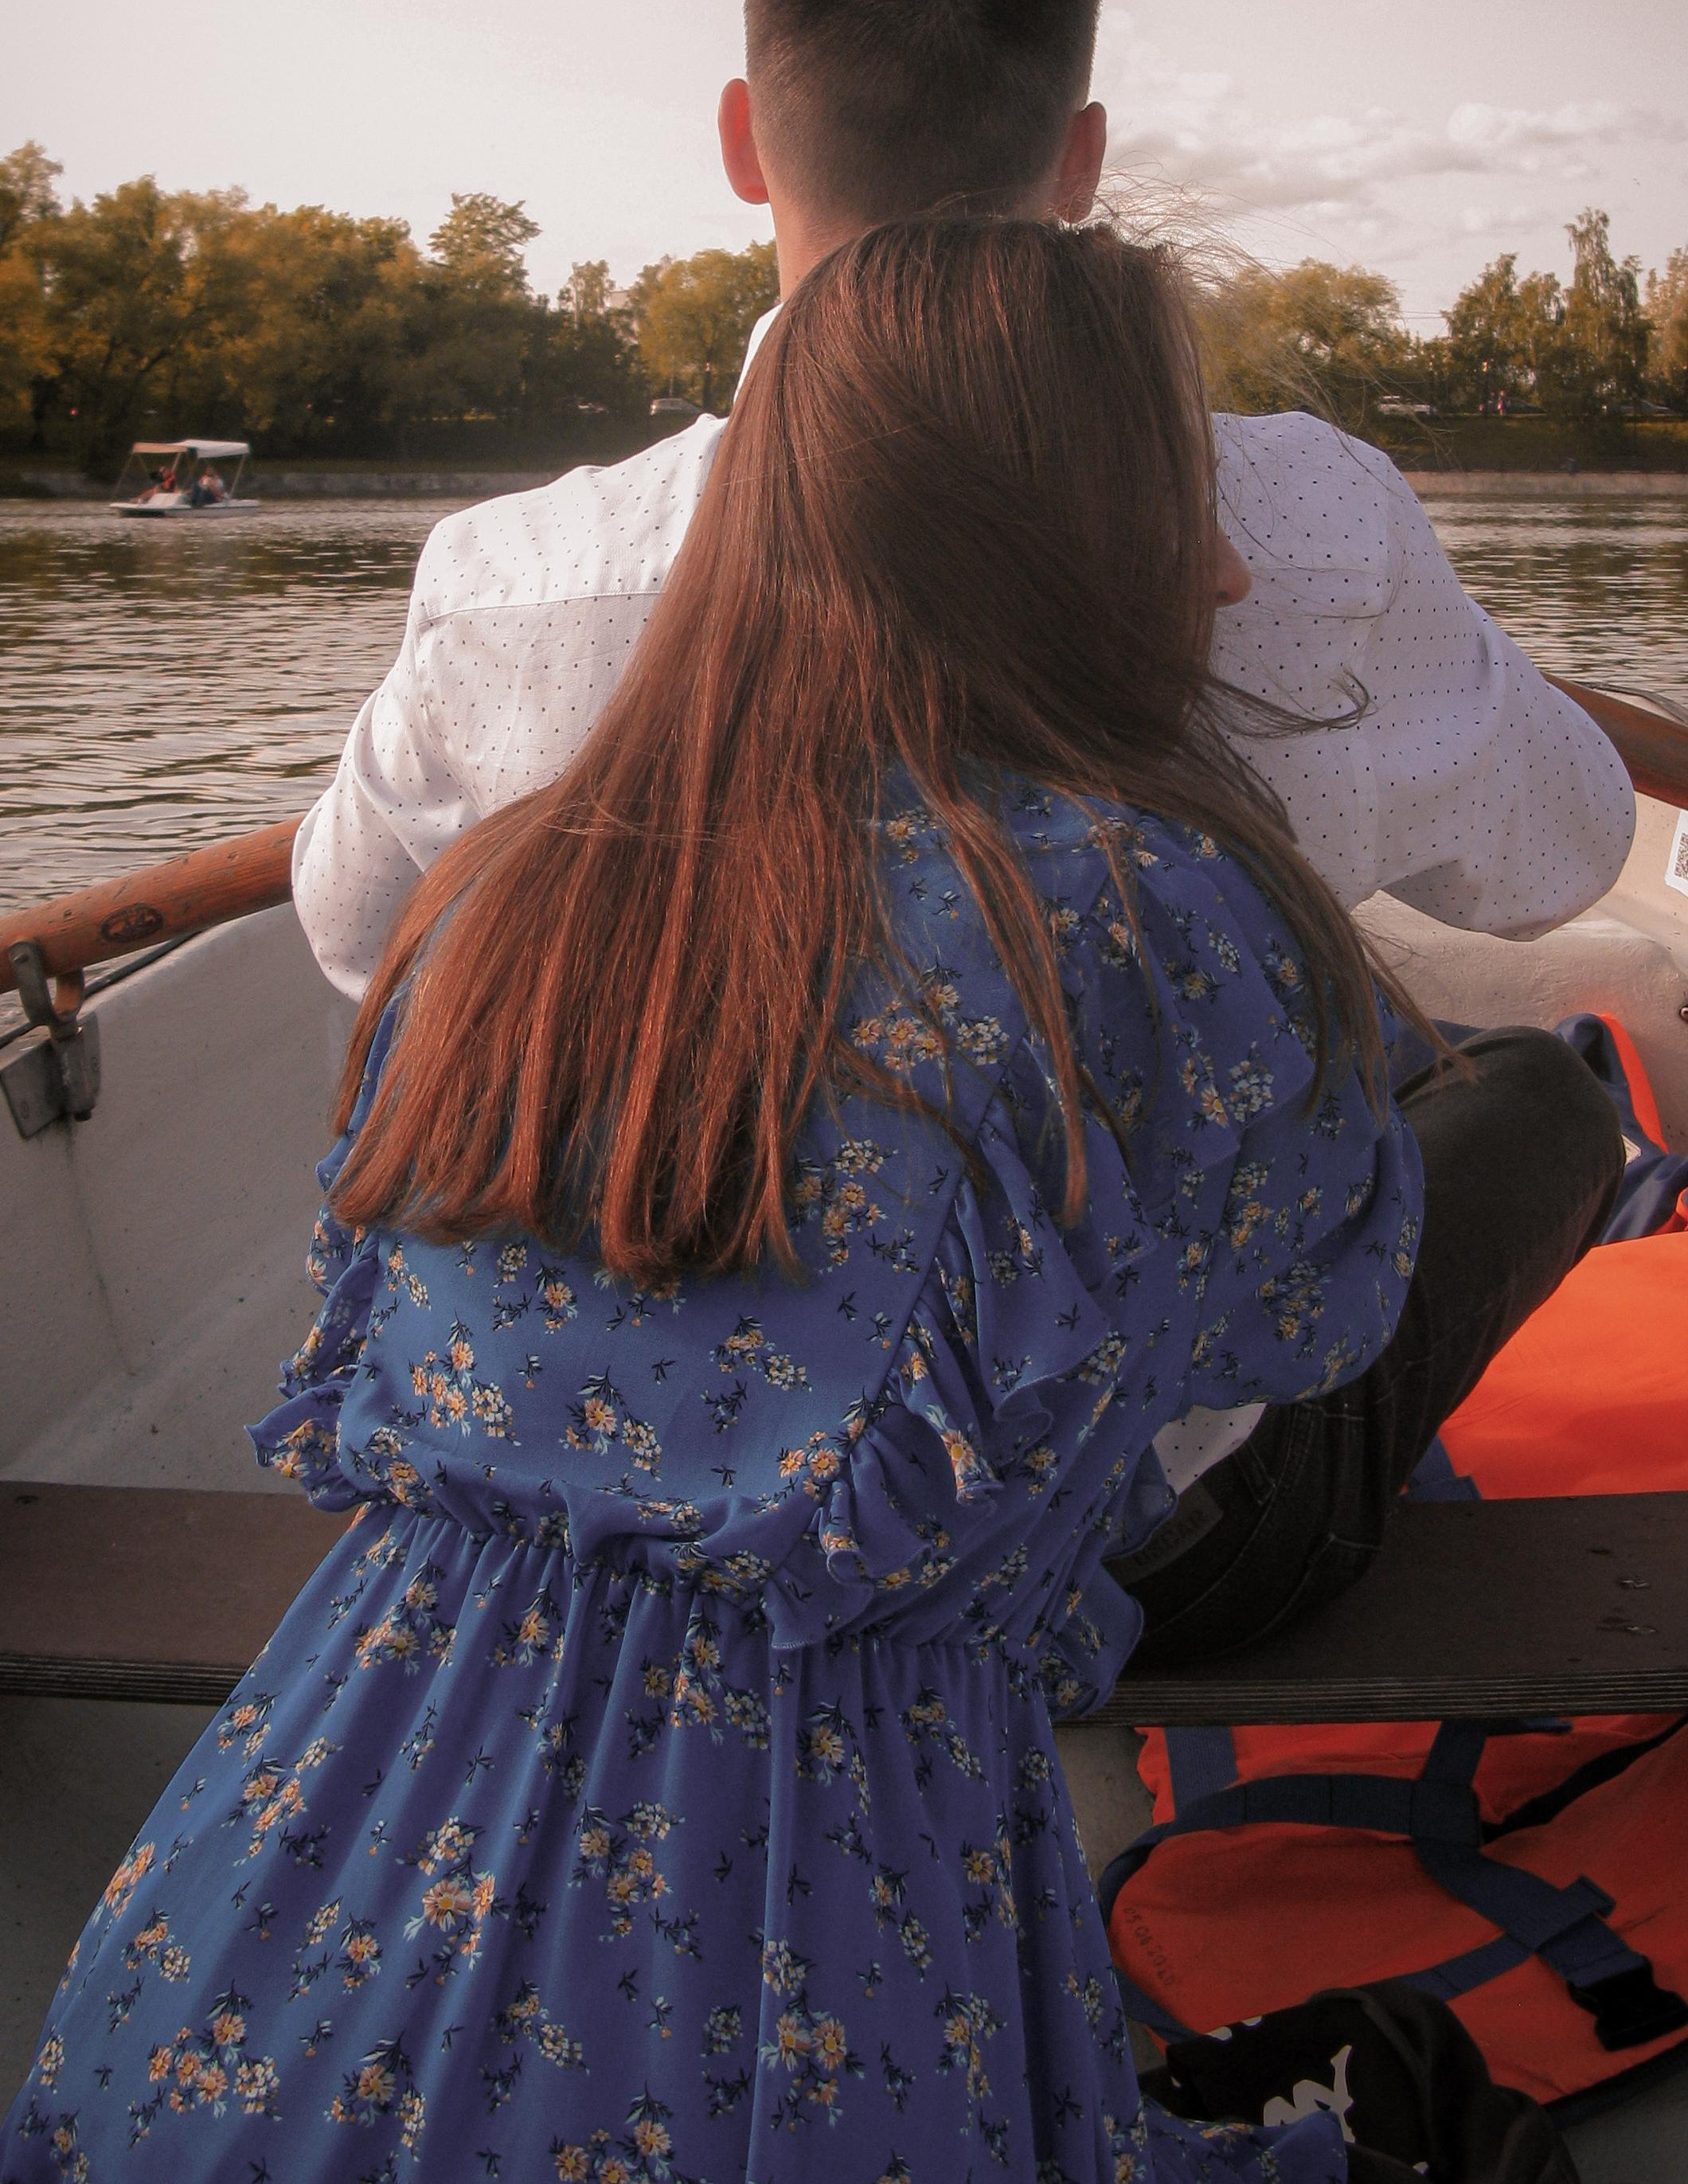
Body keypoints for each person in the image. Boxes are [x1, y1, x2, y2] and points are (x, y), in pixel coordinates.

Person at [11, 217, 1602, 2184]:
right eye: (1176, 494)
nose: (1231, 564)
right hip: (799, 1932)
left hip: (268, 1896)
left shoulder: (504, 888)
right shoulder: (1163, 920)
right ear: (1060, 536)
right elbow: (1305, 1316)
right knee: (1544, 1109)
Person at [289, 0, 1633, 1592]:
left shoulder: (517, 576)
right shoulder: (1303, 526)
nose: (1224, 575)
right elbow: (1557, 862)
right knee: (1524, 1091)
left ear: (745, 140)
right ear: (1078, 162)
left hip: (630, 1485)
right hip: (1123, 1559)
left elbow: (360, 938)